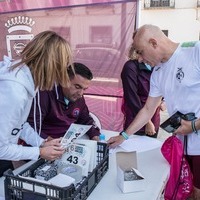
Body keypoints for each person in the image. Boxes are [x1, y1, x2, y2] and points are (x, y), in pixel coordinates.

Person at [107, 24, 200, 199]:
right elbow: (148, 109)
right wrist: (124, 136)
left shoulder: (195, 51)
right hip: (181, 146)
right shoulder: (157, 72)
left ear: (153, 43)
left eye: (141, 52)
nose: (140, 59)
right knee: (184, 192)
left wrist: (195, 125)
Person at [0, 30, 73, 177]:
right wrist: (39, 152)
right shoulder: (15, 90)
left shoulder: (25, 79)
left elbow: (19, 125)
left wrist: (42, 142)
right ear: (53, 64)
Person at [26, 62, 100, 141]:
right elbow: (31, 127)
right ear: (64, 80)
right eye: (77, 87)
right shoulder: (44, 94)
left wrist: (95, 136)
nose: (81, 93)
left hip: (67, 144)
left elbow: (86, 119)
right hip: (44, 147)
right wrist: (51, 143)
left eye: (84, 89)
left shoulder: (78, 97)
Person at [121, 45, 165, 138]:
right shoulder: (130, 67)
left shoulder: (156, 65)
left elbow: (161, 86)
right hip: (137, 119)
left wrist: (164, 101)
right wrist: (147, 122)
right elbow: (131, 98)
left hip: (154, 117)